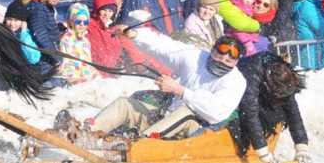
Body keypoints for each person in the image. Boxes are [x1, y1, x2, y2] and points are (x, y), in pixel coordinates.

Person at [88, 27, 247, 139]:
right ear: (212, 51)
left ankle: (139, 143)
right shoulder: (195, 57)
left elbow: (216, 112)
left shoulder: (236, 82)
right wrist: (135, 34)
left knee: (185, 111)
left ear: (236, 62)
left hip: (196, 131)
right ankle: (88, 132)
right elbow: (165, 47)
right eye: (219, 57)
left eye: (228, 61)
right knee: (124, 104)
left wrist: (180, 90)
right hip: (165, 117)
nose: (222, 62)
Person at [227, 52, 311, 163]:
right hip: (234, 99)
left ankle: (262, 156)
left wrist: (302, 149)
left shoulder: (284, 75)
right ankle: (252, 155)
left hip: (264, 91)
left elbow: (293, 112)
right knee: (251, 119)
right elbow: (250, 113)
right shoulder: (252, 76)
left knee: (280, 112)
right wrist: (264, 154)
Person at [27, 0, 66, 79]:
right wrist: (57, 58)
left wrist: (59, 28)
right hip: (42, 65)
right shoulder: (38, 8)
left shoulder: (48, 8)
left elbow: (46, 30)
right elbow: (40, 35)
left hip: (48, 63)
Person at [58, 3, 97, 85]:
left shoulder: (85, 41)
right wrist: (73, 79)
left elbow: (88, 61)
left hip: (86, 78)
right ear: (71, 21)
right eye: (78, 21)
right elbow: (65, 63)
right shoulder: (66, 40)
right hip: (74, 80)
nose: (82, 24)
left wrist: (93, 72)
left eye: (85, 22)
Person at [87, 0, 122, 73]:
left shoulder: (111, 29)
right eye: (104, 10)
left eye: (110, 11)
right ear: (97, 9)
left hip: (111, 72)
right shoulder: (89, 25)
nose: (107, 14)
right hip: (95, 72)